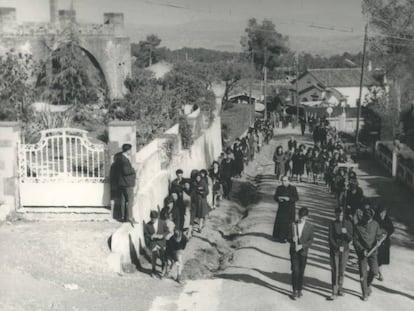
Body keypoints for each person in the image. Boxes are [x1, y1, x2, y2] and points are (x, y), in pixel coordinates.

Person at [353, 207, 385, 301]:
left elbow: (379, 236)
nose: (368, 221)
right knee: (363, 274)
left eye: (369, 219)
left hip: (373, 252)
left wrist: (379, 241)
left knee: (375, 271)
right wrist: (362, 249)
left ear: (372, 218)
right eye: (366, 219)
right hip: (362, 253)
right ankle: (364, 294)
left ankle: (367, 286)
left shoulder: (375, 224)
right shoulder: (358, 226)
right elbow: (355, 240)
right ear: (363, 217)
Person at [288, 207, 314, 300]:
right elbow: (288, 236)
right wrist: (292, 239)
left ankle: (299, 290)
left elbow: (310, 241)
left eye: (303, 218)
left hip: (303, 252)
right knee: (295, 270)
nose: (301, 219)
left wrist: (302, 246)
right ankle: (294, 291)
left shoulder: (310, 227)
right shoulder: (293, 224)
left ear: (306, 217)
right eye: (300, 216)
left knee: (301, 272)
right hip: (294, 251)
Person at [328, 208, 353, 300]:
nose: (339, 217)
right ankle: (334, 291)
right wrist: (337, 247)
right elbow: (330, 238)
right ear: (335, 214)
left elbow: (351, 238)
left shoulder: (348, 224)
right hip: (335, 251)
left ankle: (340, 288)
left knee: (342, 270)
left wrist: (346, 232)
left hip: (345, 250)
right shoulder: (332, 224)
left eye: (341, 215)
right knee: (335, 270)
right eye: (338, 215)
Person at [272, 176, 299, 242]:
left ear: (289, 181)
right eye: (282, 181)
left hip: (290, 209)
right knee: (281, 223)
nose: (283, 182)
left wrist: (289, 199)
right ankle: (281, 237)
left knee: (290, 224)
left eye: (285, 180)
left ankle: (289, 237)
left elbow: (296, 198)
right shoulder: (279, 188)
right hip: (282, 209)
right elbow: (275, 197)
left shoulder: (293, 188)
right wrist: (278, 198)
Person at [114, 144, 136, 222]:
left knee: (123, 200)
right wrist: (133, 169)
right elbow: (126, 171)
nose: (131, 152)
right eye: (130, 150)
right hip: (127, 183)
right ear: (127, 150)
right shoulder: (124, 160)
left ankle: (123, 216)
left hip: (122, 183)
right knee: (130, 200)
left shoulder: (119, 158)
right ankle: (130, 217)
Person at [144, 210, 169, 278]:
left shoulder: (162, 223)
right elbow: (146, 234)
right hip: (153, 243)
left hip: (161, 242)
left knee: (162, 256)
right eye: (152, 219)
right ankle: (153, 270)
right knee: (154, 257)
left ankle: (163, 267)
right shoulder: (147, 225)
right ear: (150, 218)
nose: (153, 220)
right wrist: (151, 236)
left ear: (157, 218)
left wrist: (162, 235)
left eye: (155, 219)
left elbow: (167, 231)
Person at [374, 205, 394, 281]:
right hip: (377, 242)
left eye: (383, 213)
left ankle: (377, 271)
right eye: (381, 213)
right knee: (377, 258)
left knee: (381, 260)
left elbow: (392, 229)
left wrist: (387, 233)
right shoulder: (375, 219)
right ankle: (379, 273)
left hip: (385, 243)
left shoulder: (388, 220)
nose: (382, 215)